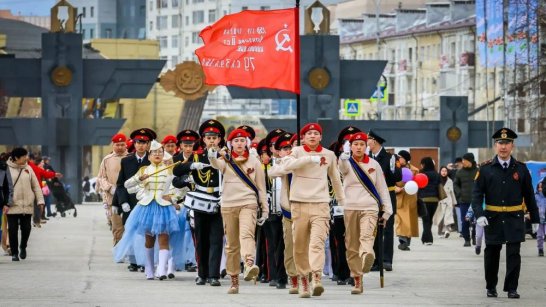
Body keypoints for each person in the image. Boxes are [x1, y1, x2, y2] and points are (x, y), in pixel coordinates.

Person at [472, 128, 539, 299]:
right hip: (492, 218)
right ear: (495, 146)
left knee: (514, 255)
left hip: (514, 218)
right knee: (492, 254)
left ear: (512, 146)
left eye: (507, 143)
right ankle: (491, 286)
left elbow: (529, 196)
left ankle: (511, 288)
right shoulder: (486, 169)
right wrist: (479, 214)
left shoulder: (521, 169)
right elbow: (477, 195)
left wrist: (535, 219)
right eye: (500, 143)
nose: (503, 147)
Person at [283, 123, 345, 298]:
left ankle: (316, 277)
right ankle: (304, 280)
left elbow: (335, 179)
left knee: (317, 243)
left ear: (320, 137)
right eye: (309, 133)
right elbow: (287, 165)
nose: (312, 136)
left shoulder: (330, 155)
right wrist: (310, 158)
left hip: (320, 204)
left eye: (316, 133)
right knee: (300, 245)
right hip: (299, 203)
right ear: (303, 137)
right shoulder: (296, 152)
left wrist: (343, 202)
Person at [208, 128, 268, 294]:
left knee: (246, 235)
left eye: (243, 141)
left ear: (247, 143)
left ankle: (249, 263)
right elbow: (215, 164)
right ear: (231, 144)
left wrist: (265, 209)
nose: (239, 143)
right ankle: (234, 279)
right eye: (236, 141)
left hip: (248, 203)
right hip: (228, 204)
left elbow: (261, 188)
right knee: (232, 244)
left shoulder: (255, 161)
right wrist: (212, 153)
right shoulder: (225, 159)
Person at [114, 140, 184, 280]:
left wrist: (173, 198)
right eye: (154, 153)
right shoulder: (143, 170)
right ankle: (149, 269)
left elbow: (180, 189)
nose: (157, 155)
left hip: (164, 208)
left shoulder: (170, 170)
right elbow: (127, 185)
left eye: (160, 152)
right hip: (147, 208)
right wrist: (139, 179)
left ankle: (162, 270)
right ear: (149, 155)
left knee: (164, 239)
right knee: (149, 240)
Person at [338, 132, 392, 295]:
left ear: (366, 146)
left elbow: (382, 187)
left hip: (369, 207)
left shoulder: (374, 164)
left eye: (362, 144)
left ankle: (367, 255)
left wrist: (387, 210)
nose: (359, 147)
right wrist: (343, 156)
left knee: (366, 237)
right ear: (351, 146)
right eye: (355, 144)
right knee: (351, 245)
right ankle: (357, 279)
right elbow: (341, 170)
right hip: (350, 207)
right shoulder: (346, 162)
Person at [173, 120, 225, 286]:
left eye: (214, 137)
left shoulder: (224, 156)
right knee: (200, 239)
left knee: (216, 239)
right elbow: (176, 170)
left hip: (218, 200)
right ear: (203, 139)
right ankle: (202, 274)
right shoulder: (195, 156)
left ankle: (214, 275)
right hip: (200, 202)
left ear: (219, 139)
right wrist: (192, 165)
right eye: (208, 137)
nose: (211, 140)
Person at [114, 128, 155, 272]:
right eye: (138, 142)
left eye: (144, 142)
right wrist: (122, 202)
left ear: (149, 144)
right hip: (130, 203)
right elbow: (120, 184)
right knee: (131, 231)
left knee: (147, 232)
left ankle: (146, 261)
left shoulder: (153, 159)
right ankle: (134, 261)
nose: (141, 145)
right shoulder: (127, 161)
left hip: (148, 201)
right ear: (134, 143)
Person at [269, 132, 299, 294]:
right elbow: (272, 173)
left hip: (304, 208)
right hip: (284, 210)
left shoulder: (302, 161)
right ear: (278, 151)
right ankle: (286, 276)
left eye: (290, 147)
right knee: (284, 246)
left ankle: (304, 276)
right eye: (284, 148)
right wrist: (285, 162)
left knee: (303, 245)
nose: (288, 150)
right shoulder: (279, 164)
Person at [367, 130, 402, 271]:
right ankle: (376, 260)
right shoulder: (367, 157)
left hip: (387, 194)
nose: (366, 142)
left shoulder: (390, 157)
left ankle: (387, 260)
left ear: (374, 141)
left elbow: (398, 177)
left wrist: (393, 170)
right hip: (371, 197)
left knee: (387, 229)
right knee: (373, 229)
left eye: (368, 139)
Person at [4, 148, 44, 261]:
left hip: (27, 205)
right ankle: (14, 253)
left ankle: (23, 246)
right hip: (12, 204)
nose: (26, 158)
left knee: (26, 228)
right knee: (12, 229)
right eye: (24, 156)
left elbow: (36, 186)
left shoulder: (28, 168)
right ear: (16, 158)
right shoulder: (7, 169)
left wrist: (40, 201)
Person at [262, 128, 288, 288]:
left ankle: (287, 274)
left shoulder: (291, 162)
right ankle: (275, 275)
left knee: (288, 244)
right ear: (271, 149)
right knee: (273, 244)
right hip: (271, 209)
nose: (278, 149)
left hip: (289, 208)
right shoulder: (264, 165)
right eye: (274, 145)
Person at [96, 133, 128, 245]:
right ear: (113, 145)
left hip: (129, 197)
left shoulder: (131, 158)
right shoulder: (107, 159)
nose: (120, 147)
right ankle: (118, 247)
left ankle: (128, 249)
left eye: (122, 145)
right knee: (117, 226)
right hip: (113, 198)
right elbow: (101, 177)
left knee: (129, 225)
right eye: (117, 145)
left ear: (126, 145)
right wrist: (110, 188)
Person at [394, 150, 419, 251]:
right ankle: (402, 240)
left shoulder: (415, 170)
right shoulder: (395, 169)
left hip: (411, 197)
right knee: (400, 219)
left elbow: (418, 183)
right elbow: (390, 181)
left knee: (410, 219)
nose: (398, 159)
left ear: (406, 159)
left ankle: (407, 240)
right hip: (399, 197)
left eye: (400, 157)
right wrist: (395, 188)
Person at [454, 153, 478, 246]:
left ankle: (474, 237)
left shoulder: (478, 171)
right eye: (462, 160)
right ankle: (466, 239)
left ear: (470, 161)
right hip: (464, 201)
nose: (463, 162)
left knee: (476, 221)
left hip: (476, 201)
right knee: (465, 221)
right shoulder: (460, 172)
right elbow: (455, 184)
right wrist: (459, 193)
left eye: (465, 160)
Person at [417, 157, 441, 245]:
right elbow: (439, 185)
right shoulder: (436, 174)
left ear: (424, 164)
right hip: (435, 200)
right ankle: (424, 238)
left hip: (424, 199)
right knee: (429, 219)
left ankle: (429, 239)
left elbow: (418, 186)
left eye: (422, 164)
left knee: (425, 220)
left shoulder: (422, 173)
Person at [434, 166, 456, 238]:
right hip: (439, 202)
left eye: (445, 171)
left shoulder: (450, 181)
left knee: (448, 216)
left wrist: (454, 202)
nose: (444, 172)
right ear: (440, 171)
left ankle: (447, 230)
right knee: (440, 217)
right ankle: (440, 232)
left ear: (447, 172)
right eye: (442, 171)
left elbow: (452, 192)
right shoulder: (437, 180)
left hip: (448, 201)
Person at [535, 182, 546, 257]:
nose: (540, 189)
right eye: (539, 187)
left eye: (542, 187)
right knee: (539, 235)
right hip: (539, 218)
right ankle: (540, 249)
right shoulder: (535, 196)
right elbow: (532, 206)